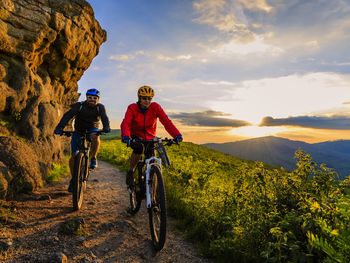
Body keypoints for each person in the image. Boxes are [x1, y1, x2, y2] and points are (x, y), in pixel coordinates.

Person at [120, 85, 183, 188]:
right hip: (135, 136)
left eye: (149, 98)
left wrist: (177, 135)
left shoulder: (156, 107)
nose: (147, 101)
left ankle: (152, 193)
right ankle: (130, 171)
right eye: (144, 98)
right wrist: (126, 137)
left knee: (152, 160)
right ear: (139, 98)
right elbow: (126, 123)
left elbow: (166, 122)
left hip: (150, 137)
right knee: (139, 148)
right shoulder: (132, 108)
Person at [54, 88, 111, 192]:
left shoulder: (100, 107)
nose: (92, 100)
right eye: (90, 97)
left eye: (95, 98)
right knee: (73, 158)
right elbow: (68, 115)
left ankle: (93, 157)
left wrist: (106, 127)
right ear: (86, 97)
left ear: (98, 99)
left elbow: (104, 117)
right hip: (79, 130)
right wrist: (60, 127)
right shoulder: (79, 106)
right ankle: (74, 179)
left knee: (95, 136)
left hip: (92, 129)